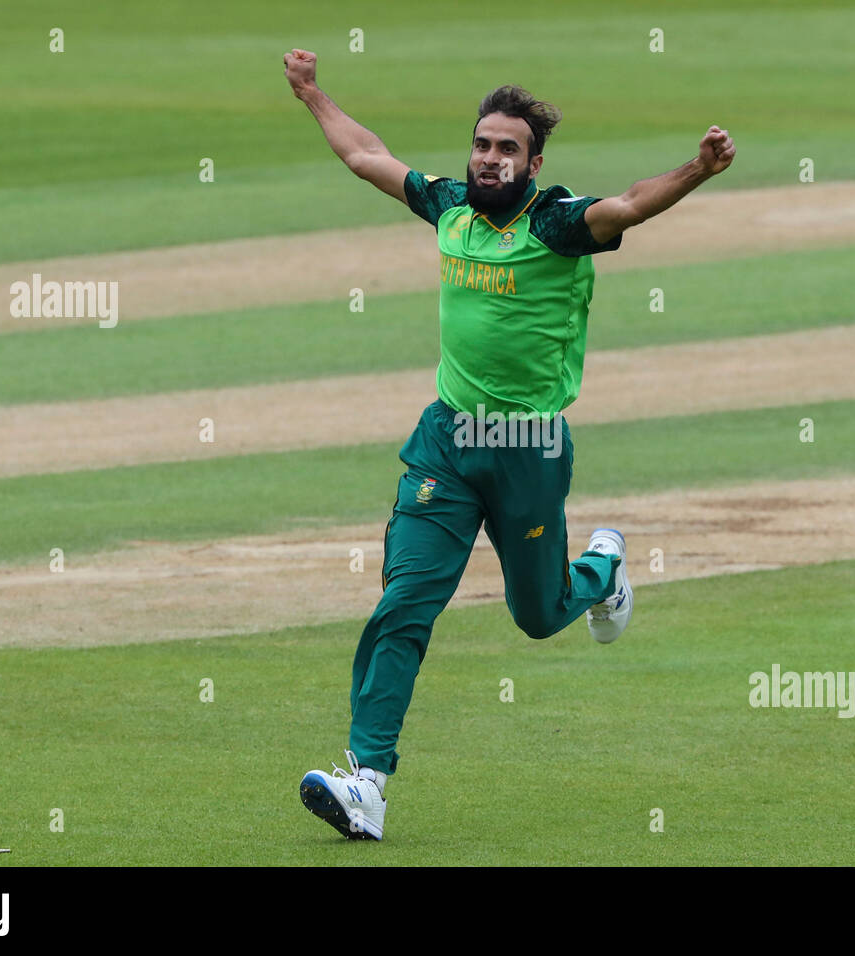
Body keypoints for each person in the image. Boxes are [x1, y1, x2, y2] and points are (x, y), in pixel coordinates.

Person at [283, 48, 736, 840]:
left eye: (507, 148)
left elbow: (627, 206)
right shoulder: (450, 206)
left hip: (527, 447)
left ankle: (600, 571)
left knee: (537, 614)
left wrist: (696, 170)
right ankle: (367, 783)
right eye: (483, 143)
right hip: (447, 444)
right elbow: (365, 155)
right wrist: (314, 93)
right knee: (404, 603)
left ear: (533, 162)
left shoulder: (557, 223)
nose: (490, 158)